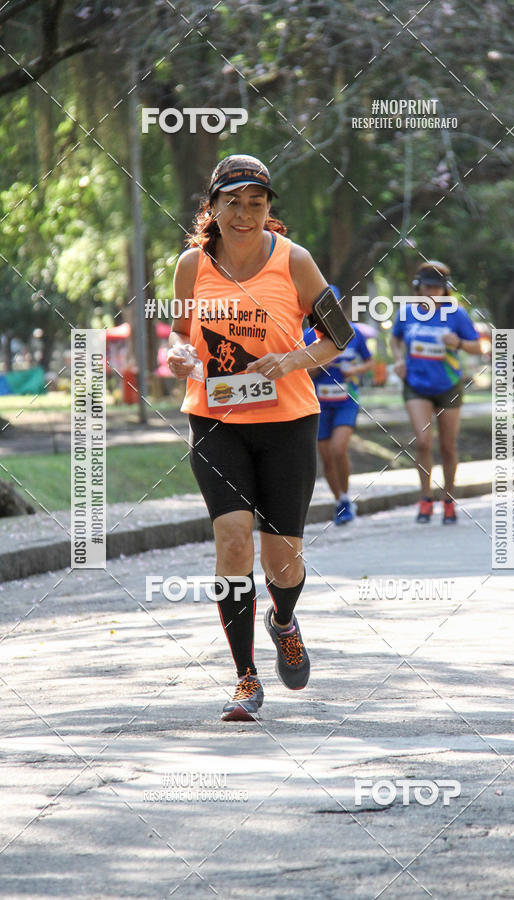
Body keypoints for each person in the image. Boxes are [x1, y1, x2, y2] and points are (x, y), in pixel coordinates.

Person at [167, 154, 345, 722]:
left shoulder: (294, 261)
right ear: (212, 207)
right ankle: (244, 678)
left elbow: (338, 335)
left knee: (282, 559)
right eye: (232, 202)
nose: (244, 214)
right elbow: (179, 336)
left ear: (268, 209)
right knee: (233, 542)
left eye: (256, 203)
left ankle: (284, 621)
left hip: (288, 424)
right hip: (215, 421)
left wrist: (290, 358)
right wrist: (177, 357)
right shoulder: (191, 266)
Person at [390, 261, 481, 524]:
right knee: (423, 442)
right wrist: (398, 359)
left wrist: (460, 343)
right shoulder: (406, 312)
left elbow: (477, 347)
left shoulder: (457, 315)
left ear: (445, 290)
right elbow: (395, 339)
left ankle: (449, 499)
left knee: (448, 446)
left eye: (437, 288)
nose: (432, 292)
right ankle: (425, 497)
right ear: (418, 288)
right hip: (416, 384)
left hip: (449, 384)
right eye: (427, 287)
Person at [304, 301, 374, 524]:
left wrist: (355, 369)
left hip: (346, 400)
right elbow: (303, 372)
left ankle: (345, 494)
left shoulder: (352, 333)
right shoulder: (306, 336)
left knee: (338, 448)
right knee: (327, 457)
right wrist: (324, 360)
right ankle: (341, 501)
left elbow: (369, 362)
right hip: (318, 403)